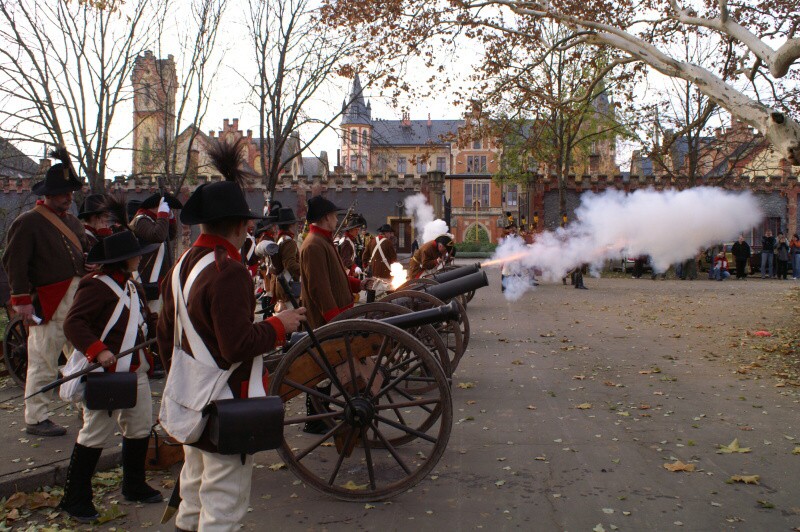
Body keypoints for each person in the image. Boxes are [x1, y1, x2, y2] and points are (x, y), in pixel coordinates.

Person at [157, 138, 305, 532]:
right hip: (225, 404)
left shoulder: (181, 266)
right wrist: (280, 324)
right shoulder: (230, 271)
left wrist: (190, 384)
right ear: (241, 225)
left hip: (193, 400)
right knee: (224, 508)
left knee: (192, 496)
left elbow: (164, 336)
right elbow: (236, 346)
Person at [59, 231, 162, 522]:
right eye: (137, 253)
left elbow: (144, 322)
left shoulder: (132, 286)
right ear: (123, 259)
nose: (141, 257)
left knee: (140, 426)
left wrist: (166, 327)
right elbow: (74, 323)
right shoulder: (95, 286)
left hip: (136, 370)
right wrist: (98, 350)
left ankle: (133, 484)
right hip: (107, 375)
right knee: (95, 433)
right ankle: (75, 497)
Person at [2, 147, 89, 437]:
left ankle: (83, 404)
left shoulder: (72, 221)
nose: (68, 197)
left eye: (69, 192)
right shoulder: (28, 222)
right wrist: (22, 302)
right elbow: (14, 262)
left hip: (75, 298)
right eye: (62, 192)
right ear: (48, 194)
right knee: (42, 360)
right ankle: (36, 416)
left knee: (79, 357)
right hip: (48, 301)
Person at [299, 196, 366, 329]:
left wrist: (359, 284)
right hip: (324, 323)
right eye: (334, 216)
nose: (336, 219)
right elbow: (319, 288)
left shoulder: (322, 240)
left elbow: (334, 277)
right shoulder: (314, 245)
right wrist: (335, 321)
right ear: (326, 218)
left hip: (337, 317)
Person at [129, 192, 181, 312]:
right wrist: (162, 215)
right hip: (146, 279)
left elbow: (170, 235)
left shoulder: (153, 221)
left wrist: (170, 218)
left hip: (157, 279)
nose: (168, 210)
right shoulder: (141, 220)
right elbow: (157, 236)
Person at [269, 208, 302, 311]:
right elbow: (290, 264)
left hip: (282, 285)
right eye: (294, 224)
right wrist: (305, 270)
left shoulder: (280, 239)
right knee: (292, 322)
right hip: (289, 286)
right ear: (291, 225)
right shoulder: (289, 242)